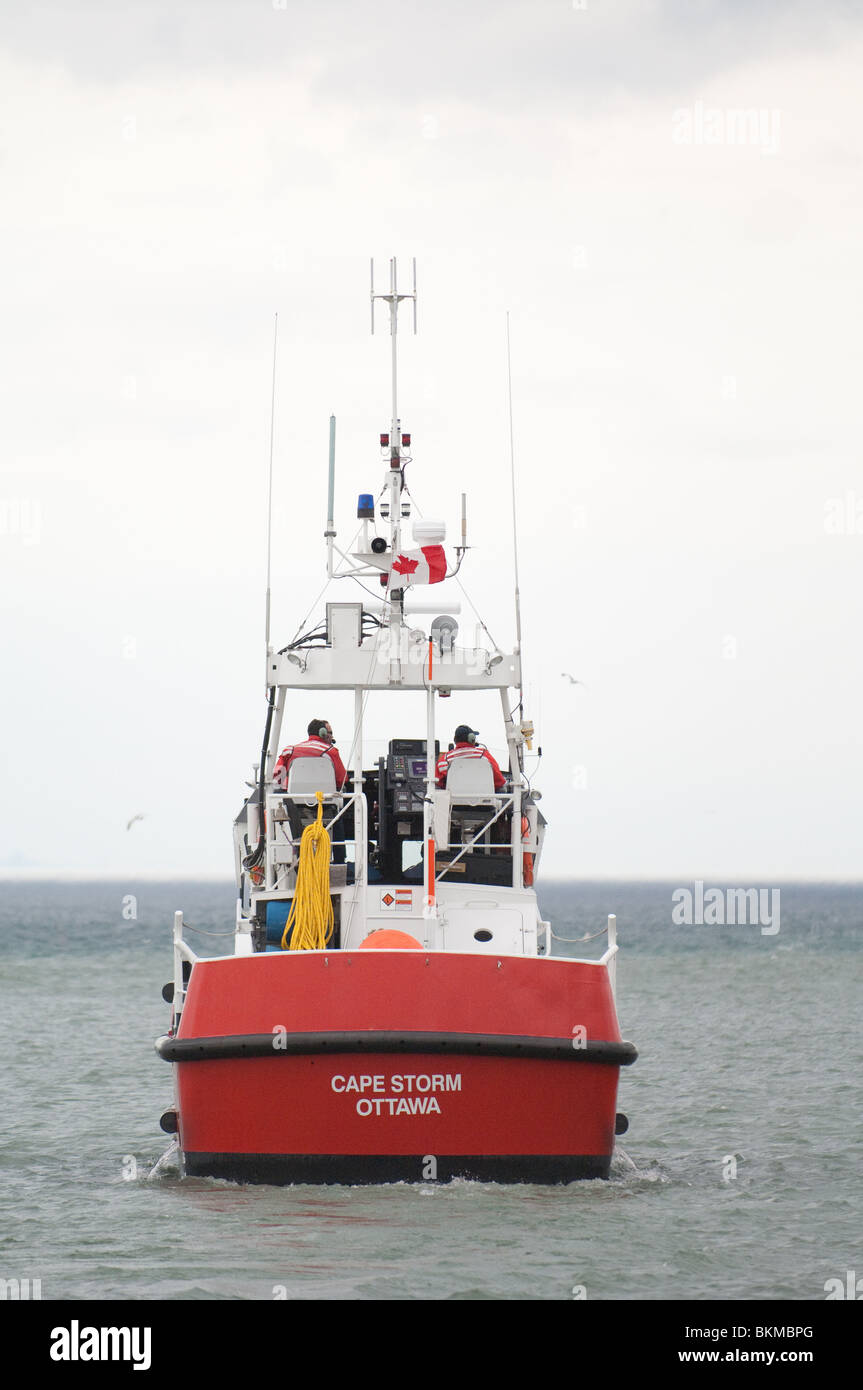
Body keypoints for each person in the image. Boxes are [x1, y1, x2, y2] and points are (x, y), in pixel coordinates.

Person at [273, 719, 348, 791]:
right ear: (323, 733)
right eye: (330, 733)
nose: (332, 737)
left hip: (293, 801)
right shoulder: (331, 751)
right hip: (325, 801)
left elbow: (277, 777)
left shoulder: (289, 751)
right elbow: (342, 780)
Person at [435, 725, 506, 791]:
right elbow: (499, 781)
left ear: (455, 740)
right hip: (484, 800)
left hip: (453, 802)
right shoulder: (484, 755)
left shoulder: (445, 759)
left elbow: (438, 783)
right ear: (472, 738)